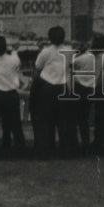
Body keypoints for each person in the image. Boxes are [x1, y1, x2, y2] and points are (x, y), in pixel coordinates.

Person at [31, 26, 76, 159]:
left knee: (45, 120)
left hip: (47, 86)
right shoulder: (69, 51)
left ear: (50, 38)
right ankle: (65, 151)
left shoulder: (46, 51)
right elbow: (71, 66)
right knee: (63, 121)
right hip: (62, 87)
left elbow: (38, 66)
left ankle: (46, 150)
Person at [71, 39, 98, 155]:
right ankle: (86, 141)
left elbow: (70, 65)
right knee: (84, 118)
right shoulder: (92, 57)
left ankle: (78, 143)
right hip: (90, 88)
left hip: (80, 88)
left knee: (78, 118)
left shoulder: (79, 59)